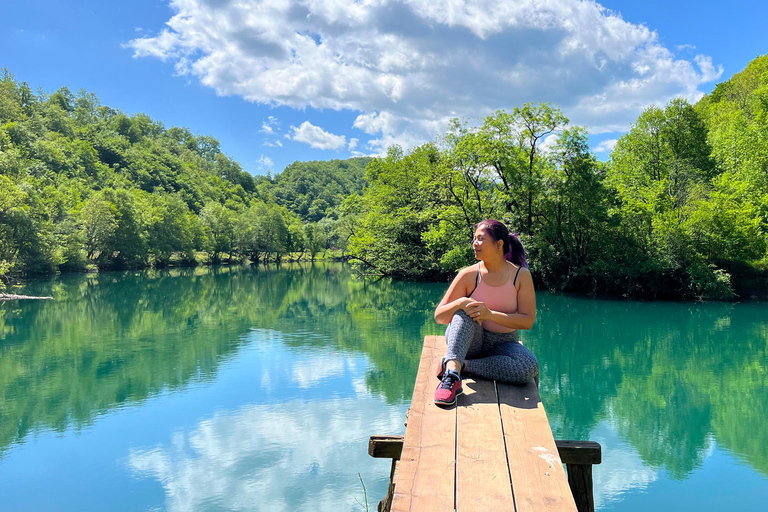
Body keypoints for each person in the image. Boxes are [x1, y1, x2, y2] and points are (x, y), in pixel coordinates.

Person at [433, 219, 539, 406]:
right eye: (474, 239)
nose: (474, 244)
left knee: (528, 367)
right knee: (463, 313)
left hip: (503, 344)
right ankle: (451, 376)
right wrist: (461, 302)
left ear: (499, 244)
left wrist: (489, 315)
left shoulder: (521, 276)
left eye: (480, 239)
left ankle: (463, 365)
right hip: (470, 342)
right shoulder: (468, 274)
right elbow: (440, 316)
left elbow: (527, 321)